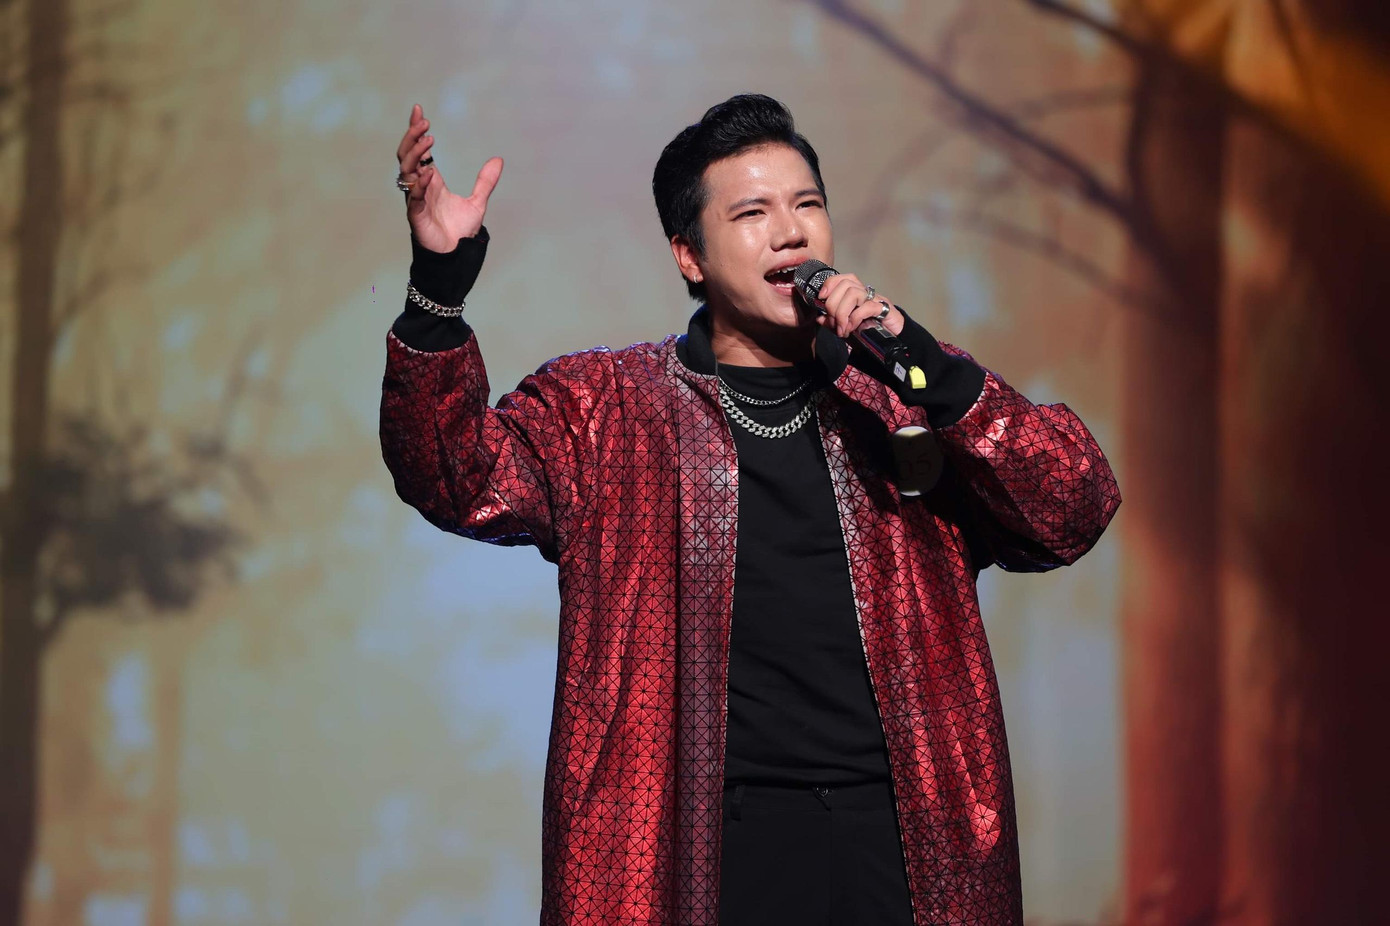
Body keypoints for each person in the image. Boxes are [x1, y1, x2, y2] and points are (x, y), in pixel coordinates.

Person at [381, 93, 1120, 925]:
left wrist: (923, 364)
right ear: (689, 255)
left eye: (808, 205)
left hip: (906, 841)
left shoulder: (901, 398)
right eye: (753, 213)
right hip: (704, 848)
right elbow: (454, 475)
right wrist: (438, 288)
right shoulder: (606, 408)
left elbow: (1073, 504)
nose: (791, 233)